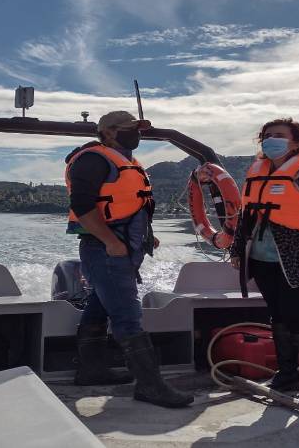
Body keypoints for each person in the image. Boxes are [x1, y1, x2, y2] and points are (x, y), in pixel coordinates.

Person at [64, 110, 193, 408]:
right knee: (127, 315)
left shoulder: (128, 163)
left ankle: (91, 370)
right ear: (108, 132)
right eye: (129, 128)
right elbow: (82, 207)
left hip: (122, 248)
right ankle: (150, 385)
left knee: (99, 307)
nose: (137, 133)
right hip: (106, 249)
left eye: (138, 129)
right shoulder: (93, 159)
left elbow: (132, 206)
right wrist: (110, 242)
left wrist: (148, 235)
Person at [230, 117, 299, 410]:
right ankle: (288, 374)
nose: (270, 140)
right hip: (261, 256)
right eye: (266, 136)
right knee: (277, 315)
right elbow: (246, 215)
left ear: (297, 141)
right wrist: (237, 249)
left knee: (296, 316)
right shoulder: (257, 172)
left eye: (278, 135)